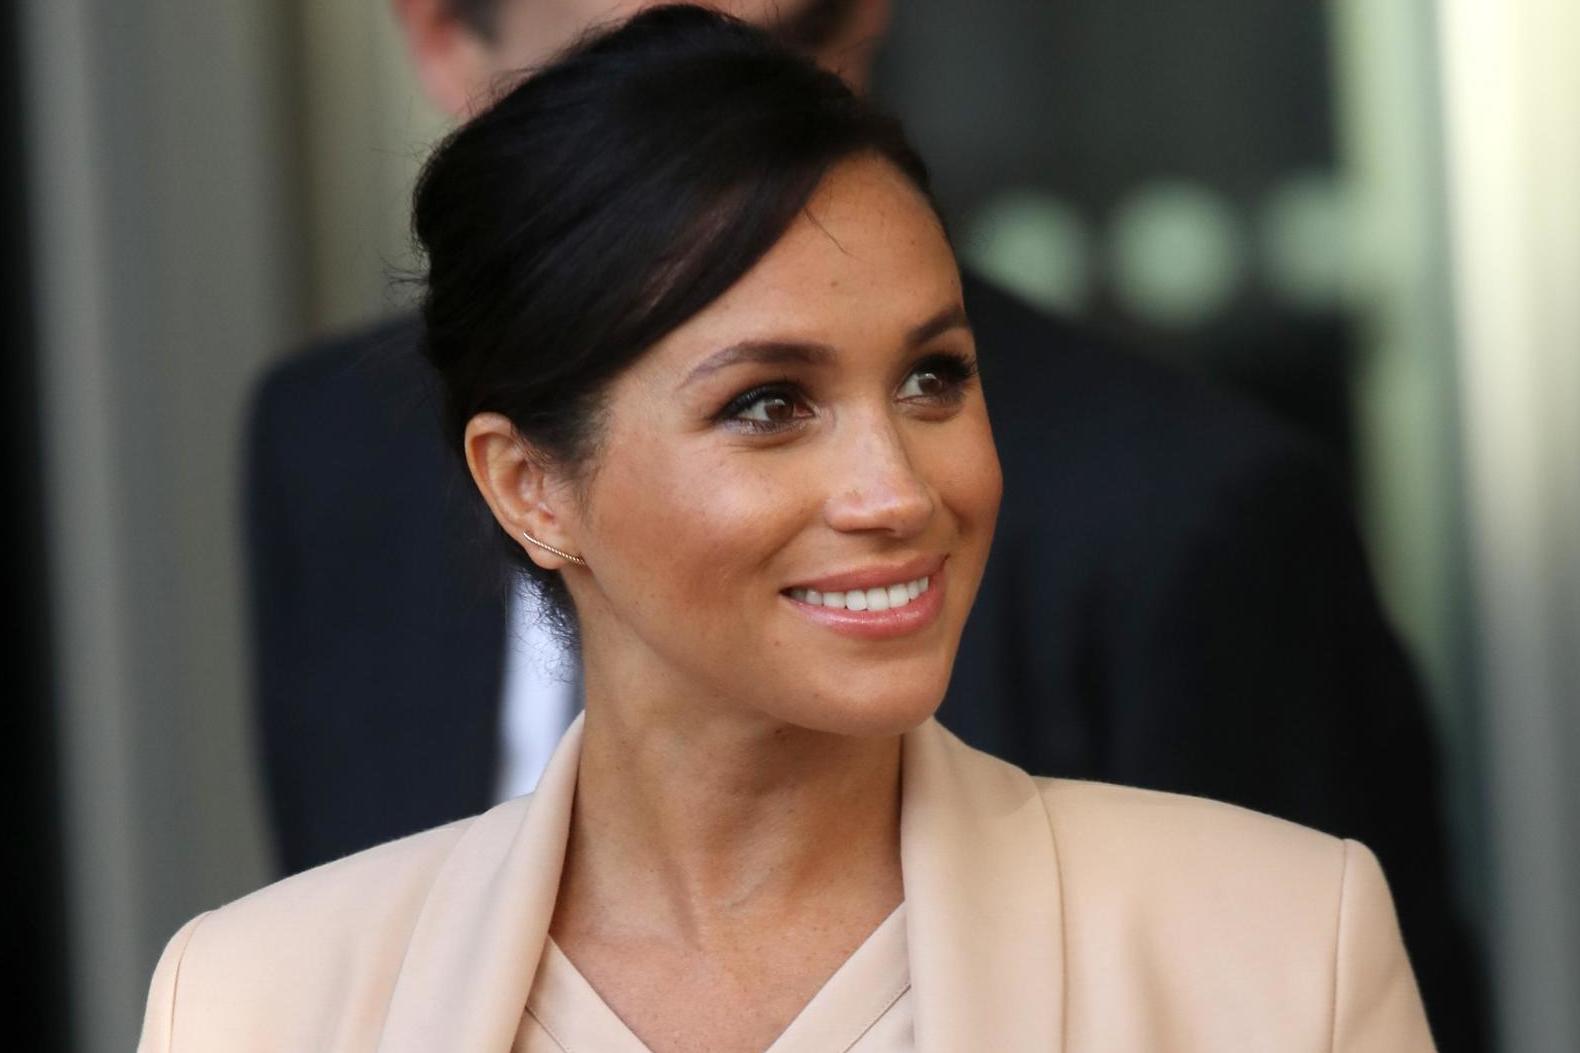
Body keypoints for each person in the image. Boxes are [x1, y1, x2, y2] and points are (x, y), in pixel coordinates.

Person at [146, 11, 1435, 1049]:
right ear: (530, 488)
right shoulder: (253, 1005)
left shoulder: (1275, 952)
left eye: (934, 378)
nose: (897, 490)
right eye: (770, 404)